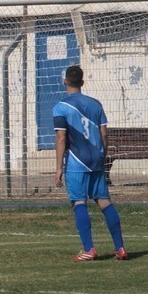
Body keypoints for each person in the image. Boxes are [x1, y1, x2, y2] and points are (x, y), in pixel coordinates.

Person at [53, 65, 128, 261]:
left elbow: (61, 138)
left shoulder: (60, 107)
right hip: (96, 159)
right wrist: (102, 156)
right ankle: (120, 248)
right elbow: (104, 134)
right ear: (82, 82)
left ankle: (89, 249)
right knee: (104, 201)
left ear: (65, 82)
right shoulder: (96, 104)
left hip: (76, 162)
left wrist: (58, 168)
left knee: (79, 202)